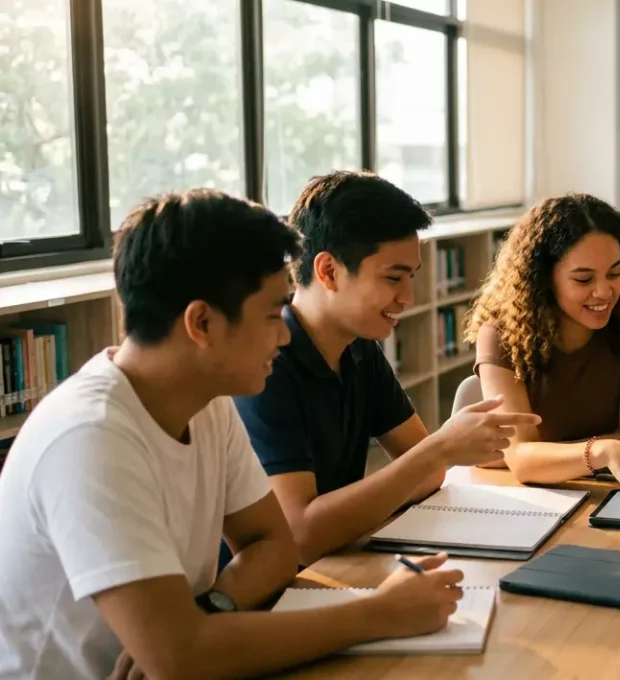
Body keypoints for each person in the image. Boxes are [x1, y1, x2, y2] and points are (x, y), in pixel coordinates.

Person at [0, 190, 467, 680]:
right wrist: (379, 613)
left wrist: (213, 608)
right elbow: (181, 658)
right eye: (272, 314)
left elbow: (274, 545)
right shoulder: (91, 438)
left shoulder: (206, 404)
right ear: (201, 322)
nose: (285, 334)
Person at [233, 171, 537, 565]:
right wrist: (439, 448)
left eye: (411, 277)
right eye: (393, 278)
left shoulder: (360, 347)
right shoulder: (266, 364)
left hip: (338, 561)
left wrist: (433, 455)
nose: (408, 298)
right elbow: (300, 534)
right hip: (270, 592)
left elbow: (428, 475)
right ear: (328, 271)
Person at [464, 193, 620, 499]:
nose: (604, 291)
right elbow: (523, 463)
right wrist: (604, 450)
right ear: (542, 279)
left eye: (615, 273)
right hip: (528, 498)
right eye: (583, 279)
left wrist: (541, 456)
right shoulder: (502, 334)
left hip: (600, 495)